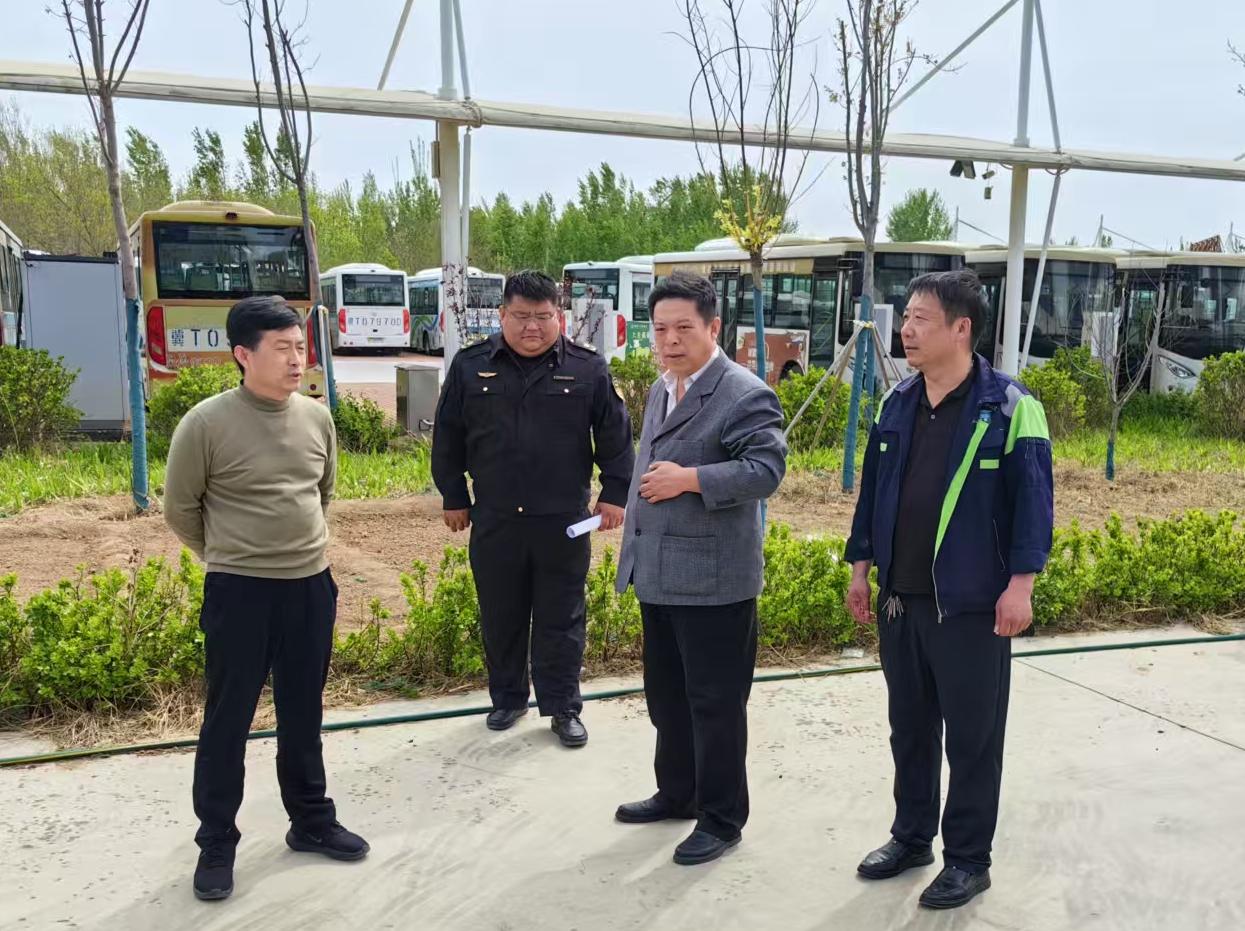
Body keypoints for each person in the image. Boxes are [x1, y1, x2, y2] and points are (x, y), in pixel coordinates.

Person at [845, 269, 1054, 909]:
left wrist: (1021, 586)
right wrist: (860, 570)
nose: (906, 330)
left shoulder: (1010, 406)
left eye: (920, 319)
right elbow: (873, 493)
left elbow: (1034, 505)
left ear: (961, 329)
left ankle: (967, 860)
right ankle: (911, 838)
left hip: (971, 606)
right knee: (908, 730)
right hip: (901, 601)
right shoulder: (896, 402)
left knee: (972, 739)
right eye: (906, 317)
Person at [164, 296, 368, 903]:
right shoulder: (205, 424)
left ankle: (311, 821)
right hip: (240, 592)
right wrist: (232, 555)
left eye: (299, 347)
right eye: (282, 349)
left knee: (303, 713)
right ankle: (216, 841)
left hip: (310, 586)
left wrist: (295, 552)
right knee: (228, 720)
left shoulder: (317, 418)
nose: (296, 359)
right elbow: (180, 510)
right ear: (243, 355)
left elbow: (322, 492)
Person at [613, 271, 787, 866]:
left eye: (684, 328)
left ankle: (721, 818)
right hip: (659, 573)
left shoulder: (742, 393)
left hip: (714, 583)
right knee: (667, 699)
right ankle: (678, 792)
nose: (670, 340)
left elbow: (765, 470)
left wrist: (690, 479)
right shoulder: (664, 387)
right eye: (660, 329)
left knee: (715, 705)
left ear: (714, 327)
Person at [431, 269, 634, 748]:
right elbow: (449, 435)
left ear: (558, 316)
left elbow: (614, 435)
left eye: (543, 316)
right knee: (500, 613)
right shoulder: (470, 366)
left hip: (562, 521)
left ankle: (563, 708)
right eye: (521, 316)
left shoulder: (587, 368)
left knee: (561, 617)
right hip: (495, 518)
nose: (532, 327)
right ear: (502, 314)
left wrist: (614, 494)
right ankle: (507, 698)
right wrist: (454, 495)